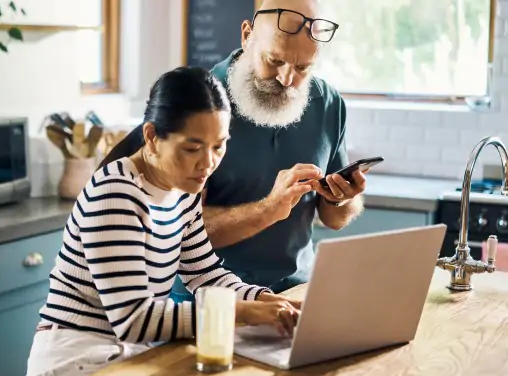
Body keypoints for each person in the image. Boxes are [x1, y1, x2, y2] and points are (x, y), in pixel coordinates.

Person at [26, 66, 303, 376]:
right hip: (77, 355)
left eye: (219, 146)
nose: (208, 163)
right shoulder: (115, 194)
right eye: (192, 148)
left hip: (132, 355)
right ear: (152, 137)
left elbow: (206, 275)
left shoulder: (182, 190)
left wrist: (268, 301)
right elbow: (134, 319)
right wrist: (241, 312)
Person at [170, 0, 369, 301]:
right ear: (247, 35)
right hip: (210, 301)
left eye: (303, 67)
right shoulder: (196, 102)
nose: (287, 79)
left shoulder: (328, 103)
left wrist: (341, 200)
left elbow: (333, 220)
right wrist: (267, 210)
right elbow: (175, 232)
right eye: (275, 61)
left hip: (297, 295)